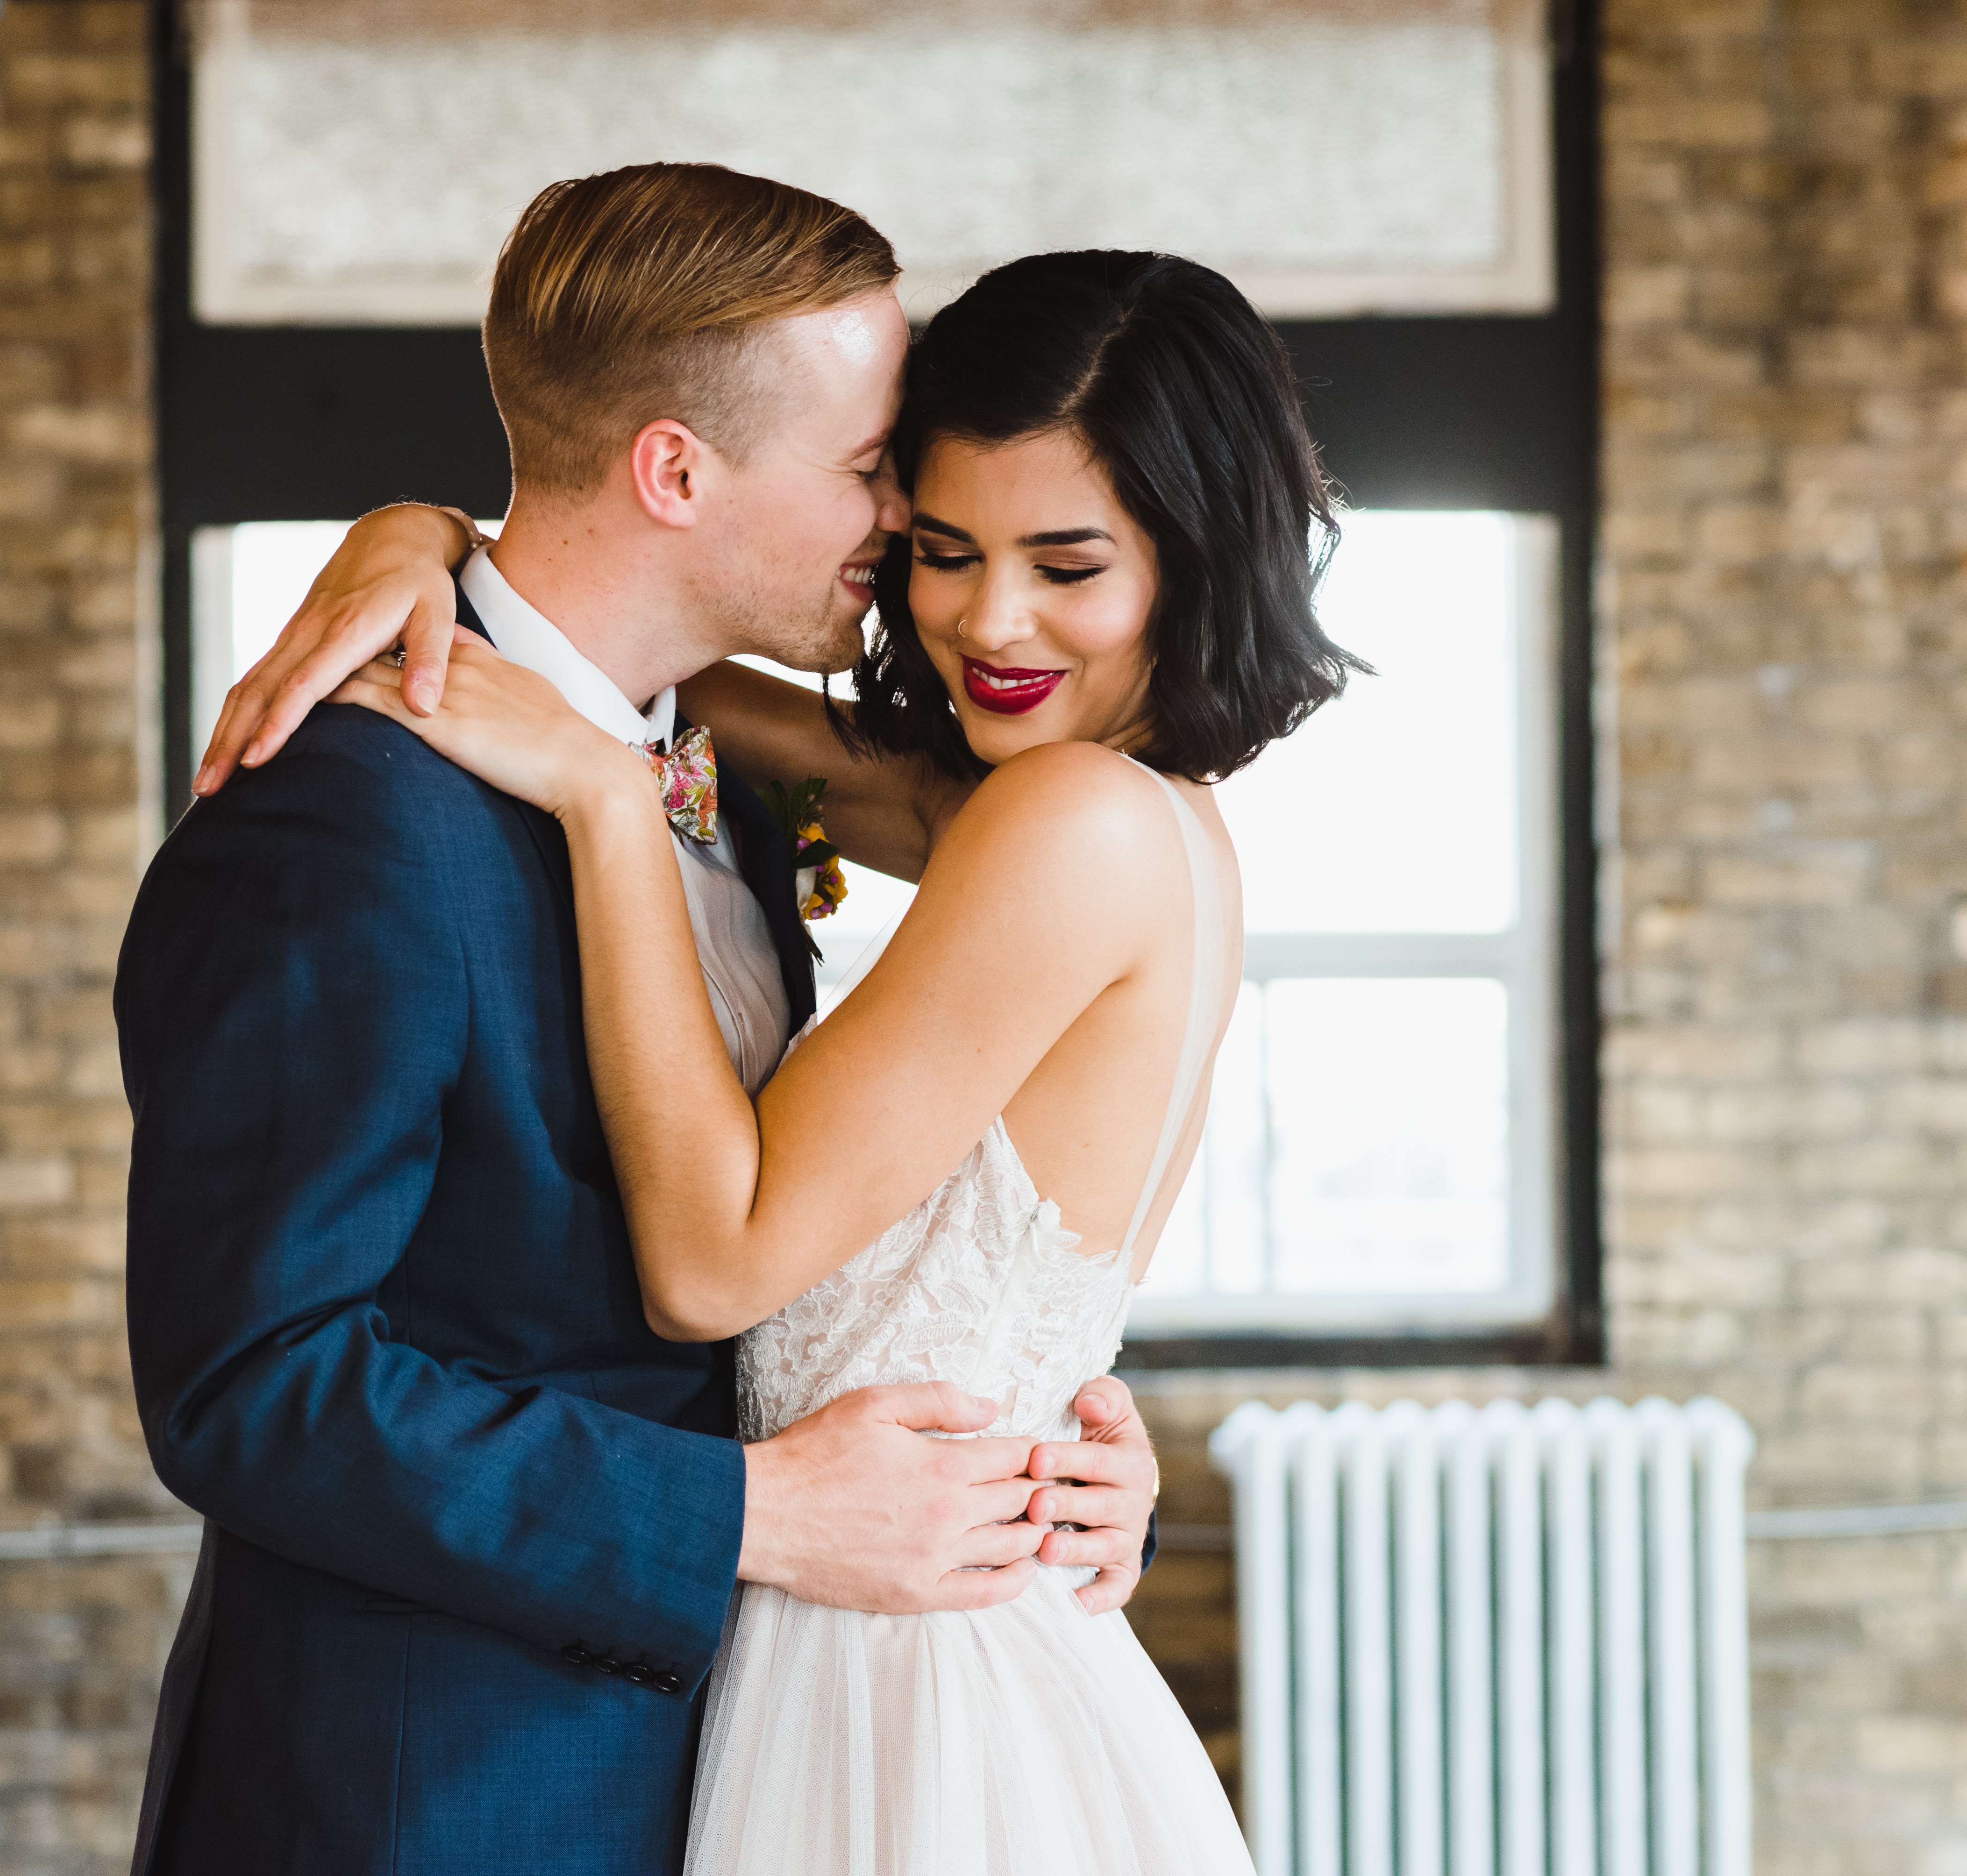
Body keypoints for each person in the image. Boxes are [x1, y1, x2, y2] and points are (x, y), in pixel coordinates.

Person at [214, 245, 1368, 1872]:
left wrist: (611, 812)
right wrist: (417, 543)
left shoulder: (1066, 822)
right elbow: (653, 667)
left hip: (905, 1680)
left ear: (1196, 558)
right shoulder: (1094, 807)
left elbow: (714, 1266)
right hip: (894, 1635)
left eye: (1069, 563)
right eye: (945, 549)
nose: (990, 622)